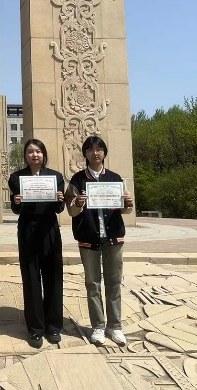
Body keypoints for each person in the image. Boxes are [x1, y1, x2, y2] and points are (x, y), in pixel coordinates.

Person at [65, 136, 134, 347]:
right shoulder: (77, 180)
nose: (95, 153)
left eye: (99, 149)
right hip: (89, 238)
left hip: (113, 237)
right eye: (90, 150)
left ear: (104, 152)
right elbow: (71, 210)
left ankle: (115, 326)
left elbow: (125, 208)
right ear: (85, 154)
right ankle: (98, 326)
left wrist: (127, 204)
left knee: (114, 282)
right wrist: (77, 203)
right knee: (92, 283)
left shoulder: (115, 178)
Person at [8, 139, 66, 348]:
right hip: (28, 230)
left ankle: (53, 326)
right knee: (31, 278)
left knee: (53, 277)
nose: (35, 155)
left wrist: (59, 199)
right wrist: (16, 202)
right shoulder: (16, 178)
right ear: (25, 156)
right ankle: (35, 329)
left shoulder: (55, 177)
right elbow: (16, 209)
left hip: (49, 229)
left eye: (38, 151)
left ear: (44, 154)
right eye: (30, 151)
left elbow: (59, 208)